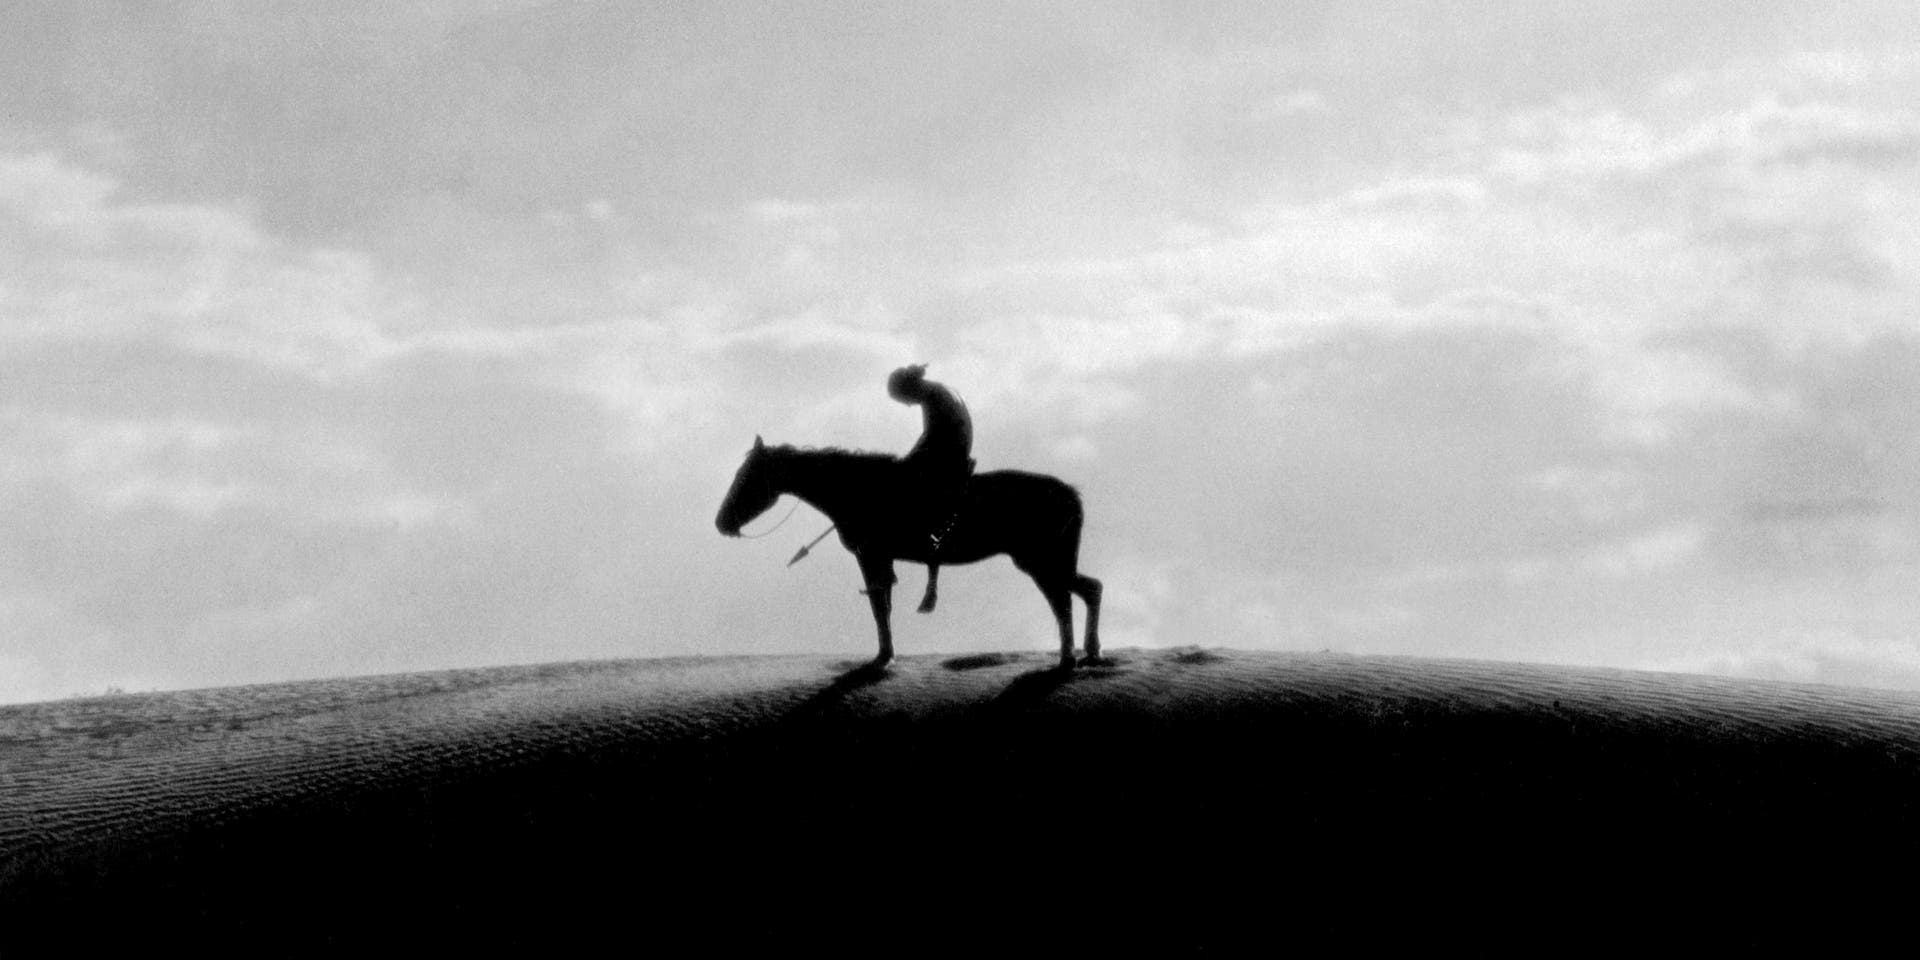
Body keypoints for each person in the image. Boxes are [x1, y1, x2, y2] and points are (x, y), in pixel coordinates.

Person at [888, 364, 974, 611]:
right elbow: (930, 434)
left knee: (907, 501)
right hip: (954, 448)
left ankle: (925, 571)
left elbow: (933, 435)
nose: (907, 405)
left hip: (948, 454)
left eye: (904, 399)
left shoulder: (932, 397)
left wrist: (910, 460)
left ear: (909, 388)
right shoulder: (938, 391)